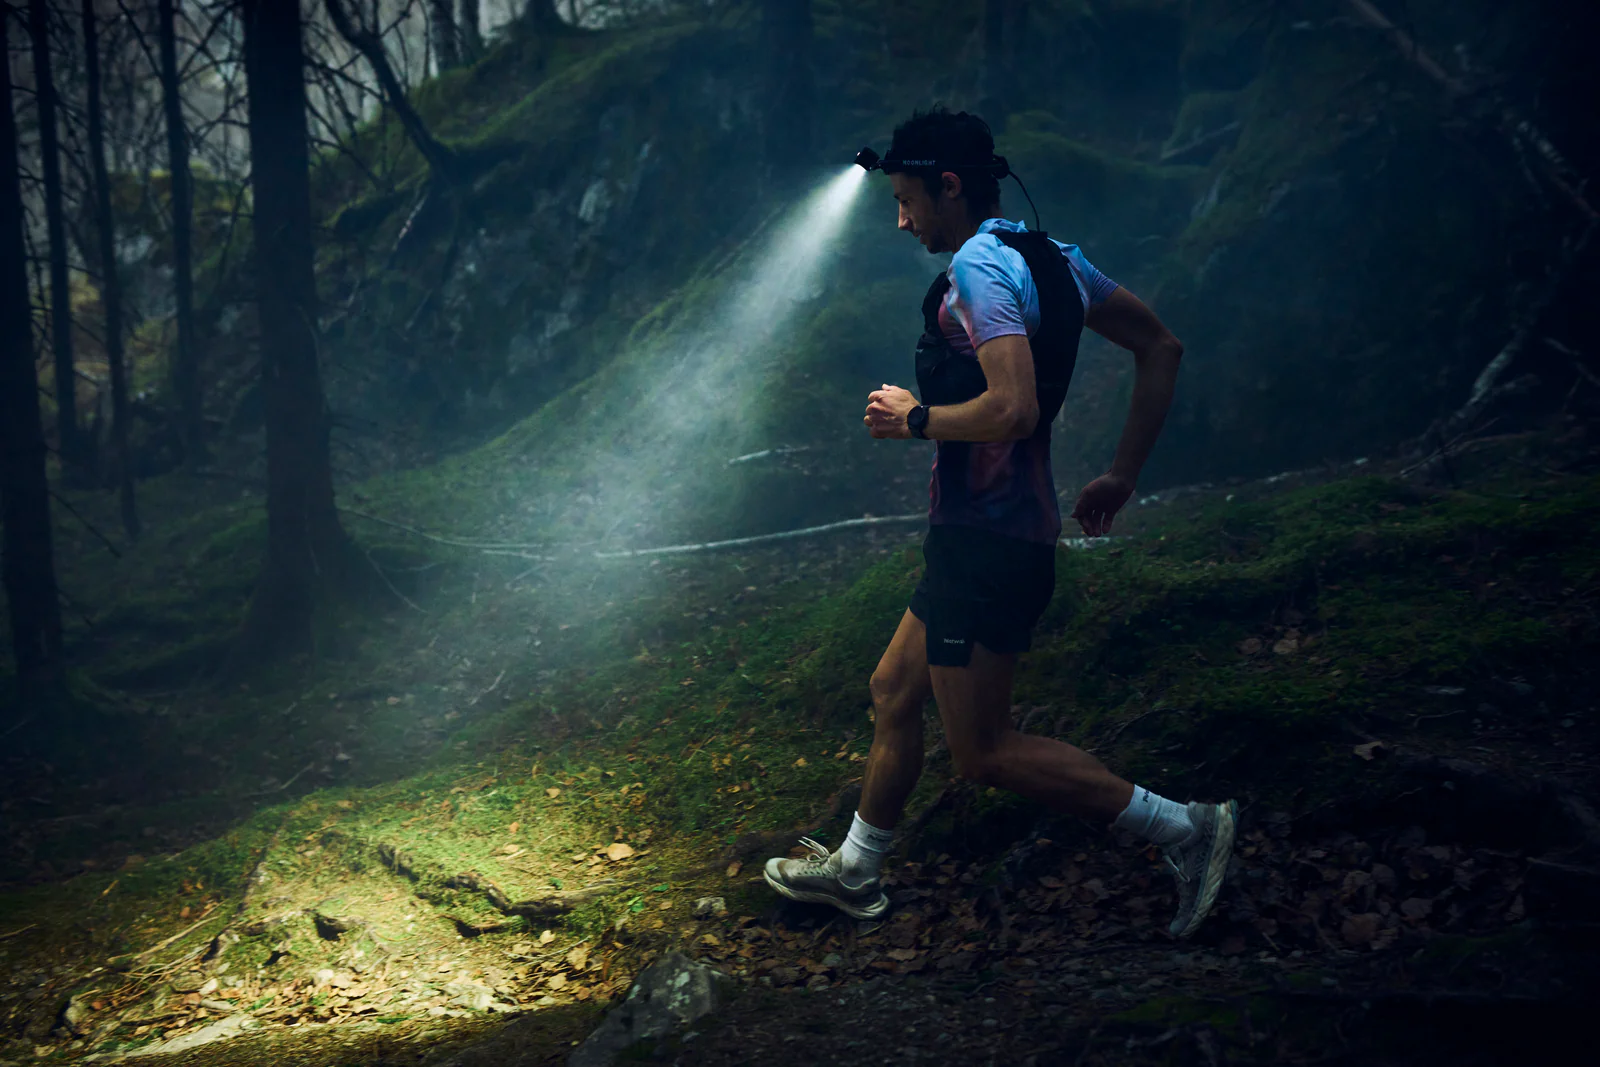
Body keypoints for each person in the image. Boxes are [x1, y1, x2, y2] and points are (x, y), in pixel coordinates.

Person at [763, 107, 1236, 939]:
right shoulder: (1053, 257)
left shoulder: (983, 265)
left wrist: (915, 419)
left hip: (987, 543)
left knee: (984, 751)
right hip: (989, 537)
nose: (901, 220)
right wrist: (1121, 474)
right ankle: (857, 870)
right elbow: (1162, 347)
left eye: (909, 200)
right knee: (891, 688)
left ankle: (1187, 828)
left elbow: (1013, 408)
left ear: (951, 187)